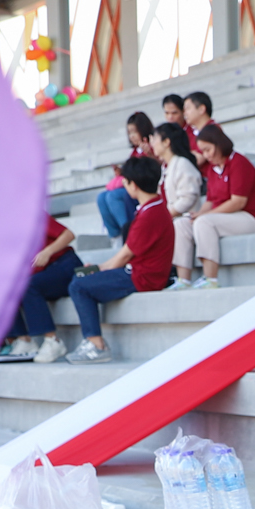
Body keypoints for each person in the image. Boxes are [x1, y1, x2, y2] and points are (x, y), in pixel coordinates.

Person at [65, 155, 171, 363]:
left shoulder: (149, 214)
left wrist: (99, 269)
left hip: (143, 277)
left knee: (79, 286)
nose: (124, 185)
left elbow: (125, 255)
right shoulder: (155, 207)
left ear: (134, 185)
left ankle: (96, 345)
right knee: (82, 278)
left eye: (126, 182)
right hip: (142, 271)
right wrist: (99, 269)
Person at [185, 122, 255, 290]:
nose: (206, 155)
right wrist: (198, 214)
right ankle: (183, 280)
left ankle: (210, 279)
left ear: (218, 144)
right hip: (224, 217)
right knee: (182, 223)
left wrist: (205, 216)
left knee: (204, 222)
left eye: (208, 150)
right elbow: (210, 200)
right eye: (203, 151)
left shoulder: (239, 163)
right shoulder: (213, 168)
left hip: (250, 217)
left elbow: (238, 202)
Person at [0, 213, 82, 363]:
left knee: (28, 286)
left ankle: (53, 341)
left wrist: (47, 251)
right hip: (42, 275)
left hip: (64, 265)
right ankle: (24, 341)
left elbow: (68, 235)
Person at [147, 121, 204, 286]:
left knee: (177, 226)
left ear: (167, 142)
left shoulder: (182, 164)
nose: (152, 144)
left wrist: (166, 216)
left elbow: (188, 198)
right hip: (171, 218)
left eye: (155, 139)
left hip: (186, 218)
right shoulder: (167, 166)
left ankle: (183, 279)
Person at [95, 111, 153, 249]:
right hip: (132, 187)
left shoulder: (152, 147)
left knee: (113, 196)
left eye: (134, 132)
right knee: (101, 197)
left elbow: (154, 169)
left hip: (144, 190)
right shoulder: (134, 152)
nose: (132, 136)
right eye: (129, 133)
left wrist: (151, 155)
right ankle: (116, 236)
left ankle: (129, 233)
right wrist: (122, 173)